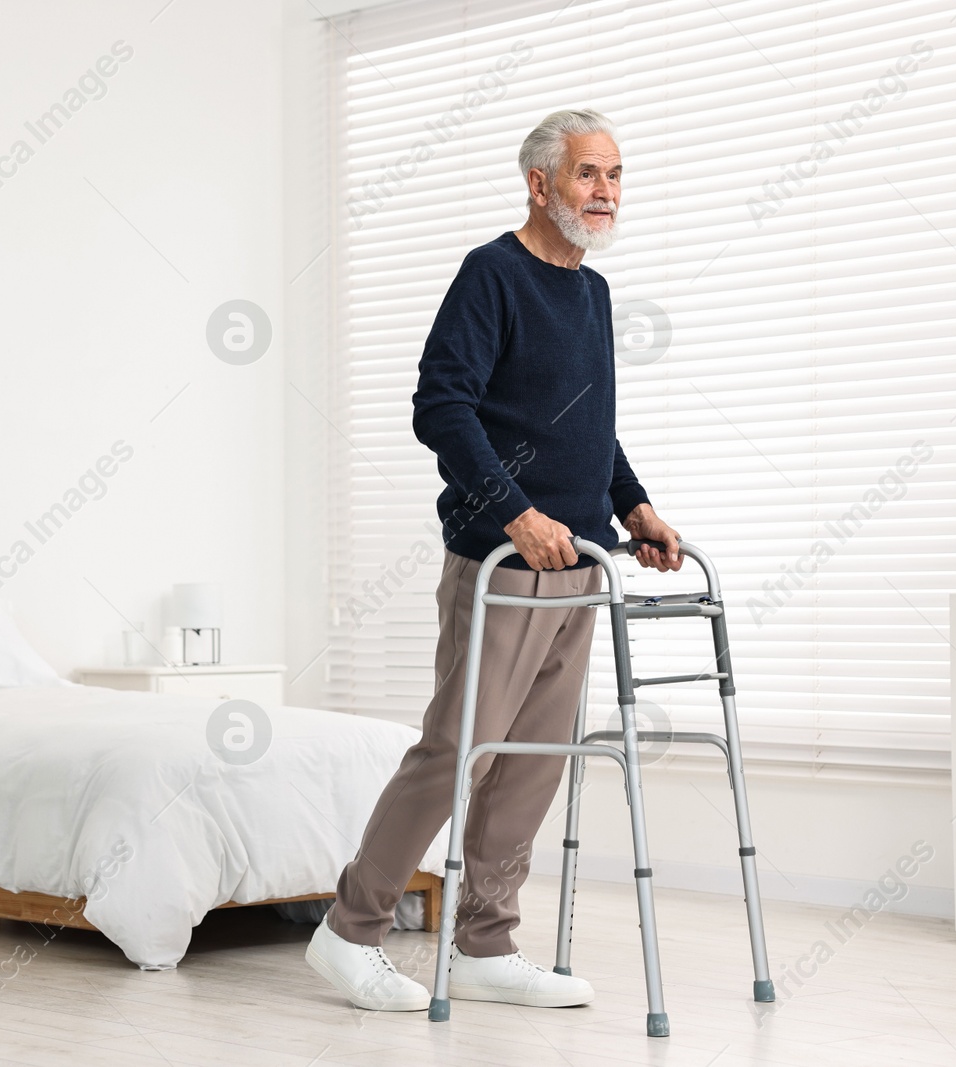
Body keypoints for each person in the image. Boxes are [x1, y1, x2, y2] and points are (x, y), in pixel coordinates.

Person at [307, 108, 681, 1012]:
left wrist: (633, 503)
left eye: (617, 175)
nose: (606, 193)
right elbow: (441, 404)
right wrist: (514, 513)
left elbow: (592, 426)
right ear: (540, 183)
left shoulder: (590, 292)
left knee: (537, 756)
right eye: (590, 174)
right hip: (502, 562)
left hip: (582, 561)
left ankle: (485, 939)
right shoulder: (494, 274)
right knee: (460, 750)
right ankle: (349, 931)